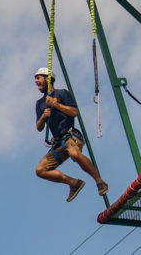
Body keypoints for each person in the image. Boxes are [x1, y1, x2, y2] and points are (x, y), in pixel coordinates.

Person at [34, 67, 108, 202]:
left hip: (70, 136)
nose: (36, 81)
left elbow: (74, 112)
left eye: (38, 77)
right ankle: (73, 183)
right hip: (57, 142)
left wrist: (55, 105)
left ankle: (99, 181)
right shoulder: (40, 104)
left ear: (47, 79)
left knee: (74, 154)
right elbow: (39, 127)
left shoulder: (62, 93)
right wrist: (43, 117)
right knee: (40, 170)